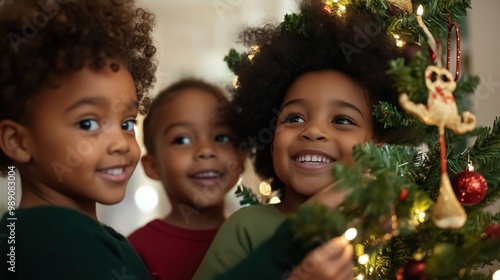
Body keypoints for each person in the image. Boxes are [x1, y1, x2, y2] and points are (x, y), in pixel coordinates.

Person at [193, 0, 414, 279]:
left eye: (342, 120)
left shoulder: (395, 232)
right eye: (294, 118)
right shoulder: (246, 227)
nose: (312, 131)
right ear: (272, 143)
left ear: (377, 148)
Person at [0, 0, 157, 279]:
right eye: (88, 123)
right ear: (17, 142)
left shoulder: (31, 232)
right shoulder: (58, 242)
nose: (120, 143)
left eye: (127, 123)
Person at [128, 78, 246, 280]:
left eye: (222, 137)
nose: (206, 150)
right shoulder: (136, 251)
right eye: (182, 139)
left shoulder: (252, 239)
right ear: (153, 166)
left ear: (241, 158)